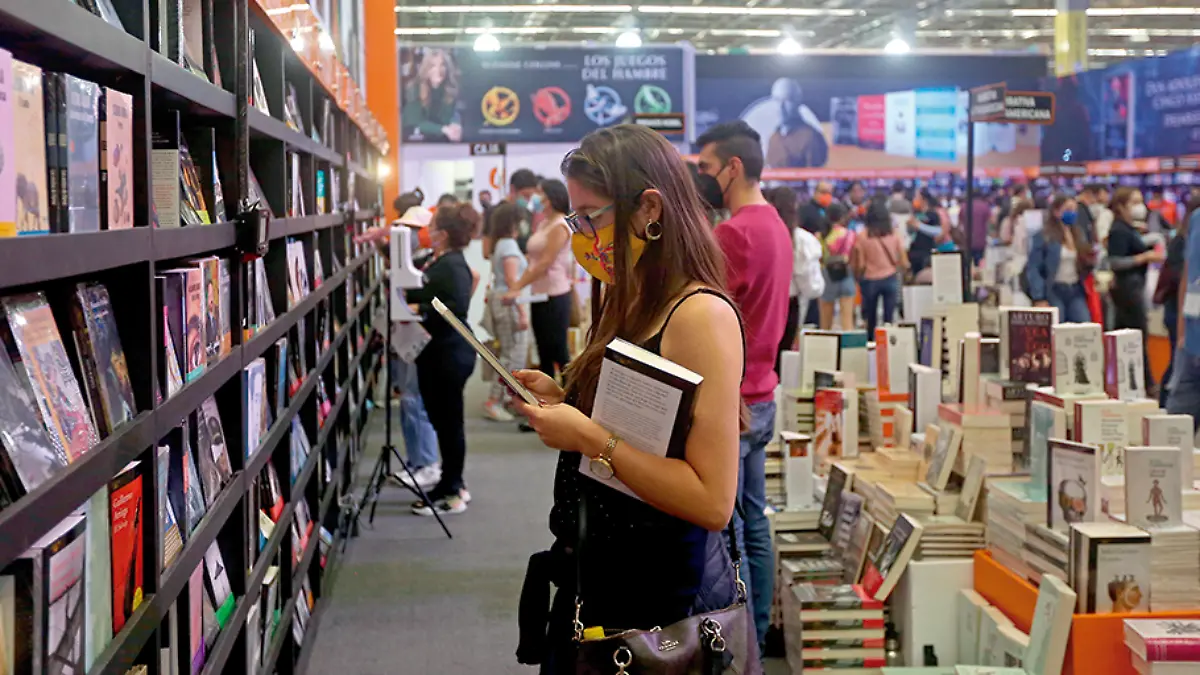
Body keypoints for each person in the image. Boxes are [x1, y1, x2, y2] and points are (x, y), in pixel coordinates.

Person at [511, 125, 748, 671]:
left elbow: (713, 501)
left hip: (656, 605)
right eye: (577, 219)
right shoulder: (628, 296)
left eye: (592, 216)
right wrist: (567, 399)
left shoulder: (699, 316)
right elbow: (642, 423)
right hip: (595, 577)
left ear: (648, 208)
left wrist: (589, 436)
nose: (583, 236)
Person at [695, 119, 792, 654]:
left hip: (732, 400)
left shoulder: (733, 233)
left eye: (707, 168)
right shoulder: (775, 224)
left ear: (733, 168)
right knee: (752, 522)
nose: (703, 178)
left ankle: (742, 641)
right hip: (763, 392)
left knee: (727, 529)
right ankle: (755, 626)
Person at [405, 204, 478, 515]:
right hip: (441, 353)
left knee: (449, 424)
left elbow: (452, 309)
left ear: (444, 234)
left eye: (432, 227)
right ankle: (451, 483)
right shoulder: (446, 262)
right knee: (443, 421)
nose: (428, 232)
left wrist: (418, 311)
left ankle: (452, 489)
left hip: (448, 355)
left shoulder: (452, 266)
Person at [503, 178, 575, 382]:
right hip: (538, 294)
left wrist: (517, 286)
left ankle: (570, 398)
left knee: (558, 349)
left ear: (551, 197)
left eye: (541, 194)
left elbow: (544, 262)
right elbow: (533, 259)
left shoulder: (560, 225)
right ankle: (545, 399)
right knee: (542, 349)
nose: (537, 199)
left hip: (556, 294)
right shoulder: (543, 223)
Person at [1108, 186, 1164, 393]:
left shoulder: (1129, 228)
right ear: (1121, 205)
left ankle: (1132, 381)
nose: (1139, 206)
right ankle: (1147, 382)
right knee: (1137, 335)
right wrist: (1144, 257)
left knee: (1127, 334)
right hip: (1127, 290)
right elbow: (1115, 262)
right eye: (1134, 202)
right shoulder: (1119, 230)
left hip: (1133, 287)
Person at [764, 186, 823, 369]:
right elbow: (812, 288)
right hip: (789, 306)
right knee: (784, 362)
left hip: (760, 302)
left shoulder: (761, 234)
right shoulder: (802, 240)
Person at [483, 203, 531, 423]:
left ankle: (504, 397)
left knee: (509, 353)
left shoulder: (499, 244)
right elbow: (513, 282)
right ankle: (495, 399)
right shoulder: (509, 246)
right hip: (509, 305)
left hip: (502, 302)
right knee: (512, 355)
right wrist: (522, 312)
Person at [1025, 195, 1091, 323]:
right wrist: (1039, 297)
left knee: (1084, 324)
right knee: (1056, 327)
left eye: (1074, 209)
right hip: (1053, 290)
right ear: (1056, 211)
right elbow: (1034, 268)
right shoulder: (1044, 236)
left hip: (1075, 288)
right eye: (1068, 209)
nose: (1072, 213)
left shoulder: (1078, 234)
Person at [1156, 196, 1196, 406]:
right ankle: (1163, 408)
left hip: (1183, 318)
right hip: (1181, 318)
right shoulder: (1184, 239)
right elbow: (1184, 279)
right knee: (1178, 370)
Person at [1166, 197, 1200, 425]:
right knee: (1173, 430)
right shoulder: (1197, 218)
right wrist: (1181, 328)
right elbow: (1188, 274)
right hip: (1189, 343)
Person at [853, 200, 908, 338]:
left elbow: (860, 264)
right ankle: (888, 346)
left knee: (871, 320)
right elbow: (903, 260)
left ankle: (872, 346)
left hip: (870, 280)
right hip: (890, 277)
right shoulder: (894, 234)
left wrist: (858, 277)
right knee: (889, 319)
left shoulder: (863, 236)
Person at [764, 78, 829, 168]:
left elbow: (814, 178)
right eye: (777, 100)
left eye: (787, 100)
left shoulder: (811, 136)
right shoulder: (773, 138)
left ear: (797, 102)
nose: (781, 106)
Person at [401, 48, 461, 142]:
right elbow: (415, 122)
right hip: (414, 141)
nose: (438, 70)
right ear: (426, 69)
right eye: (433, 66)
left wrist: (455, 124)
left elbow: (453, 114)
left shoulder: (450, 90)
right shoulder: (414, 89)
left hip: (441, 141)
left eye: (442, 65)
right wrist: (443, 130)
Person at [799, 182, 834, 325]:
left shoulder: (829, 210)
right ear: (816, 192)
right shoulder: (806, 210)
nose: (826, 196)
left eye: (829, 192)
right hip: (809, 259)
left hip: (827, 262)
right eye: (823, 192)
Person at [820, 202, 857, 330]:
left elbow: (819, 257)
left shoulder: (821, 235)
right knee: (847, 322)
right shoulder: (849, 234)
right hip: (845, 273)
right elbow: (854, 256)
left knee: (825, 323)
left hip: (826, 276)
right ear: (842, 217)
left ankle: (825, 348)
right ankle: (848, 349)